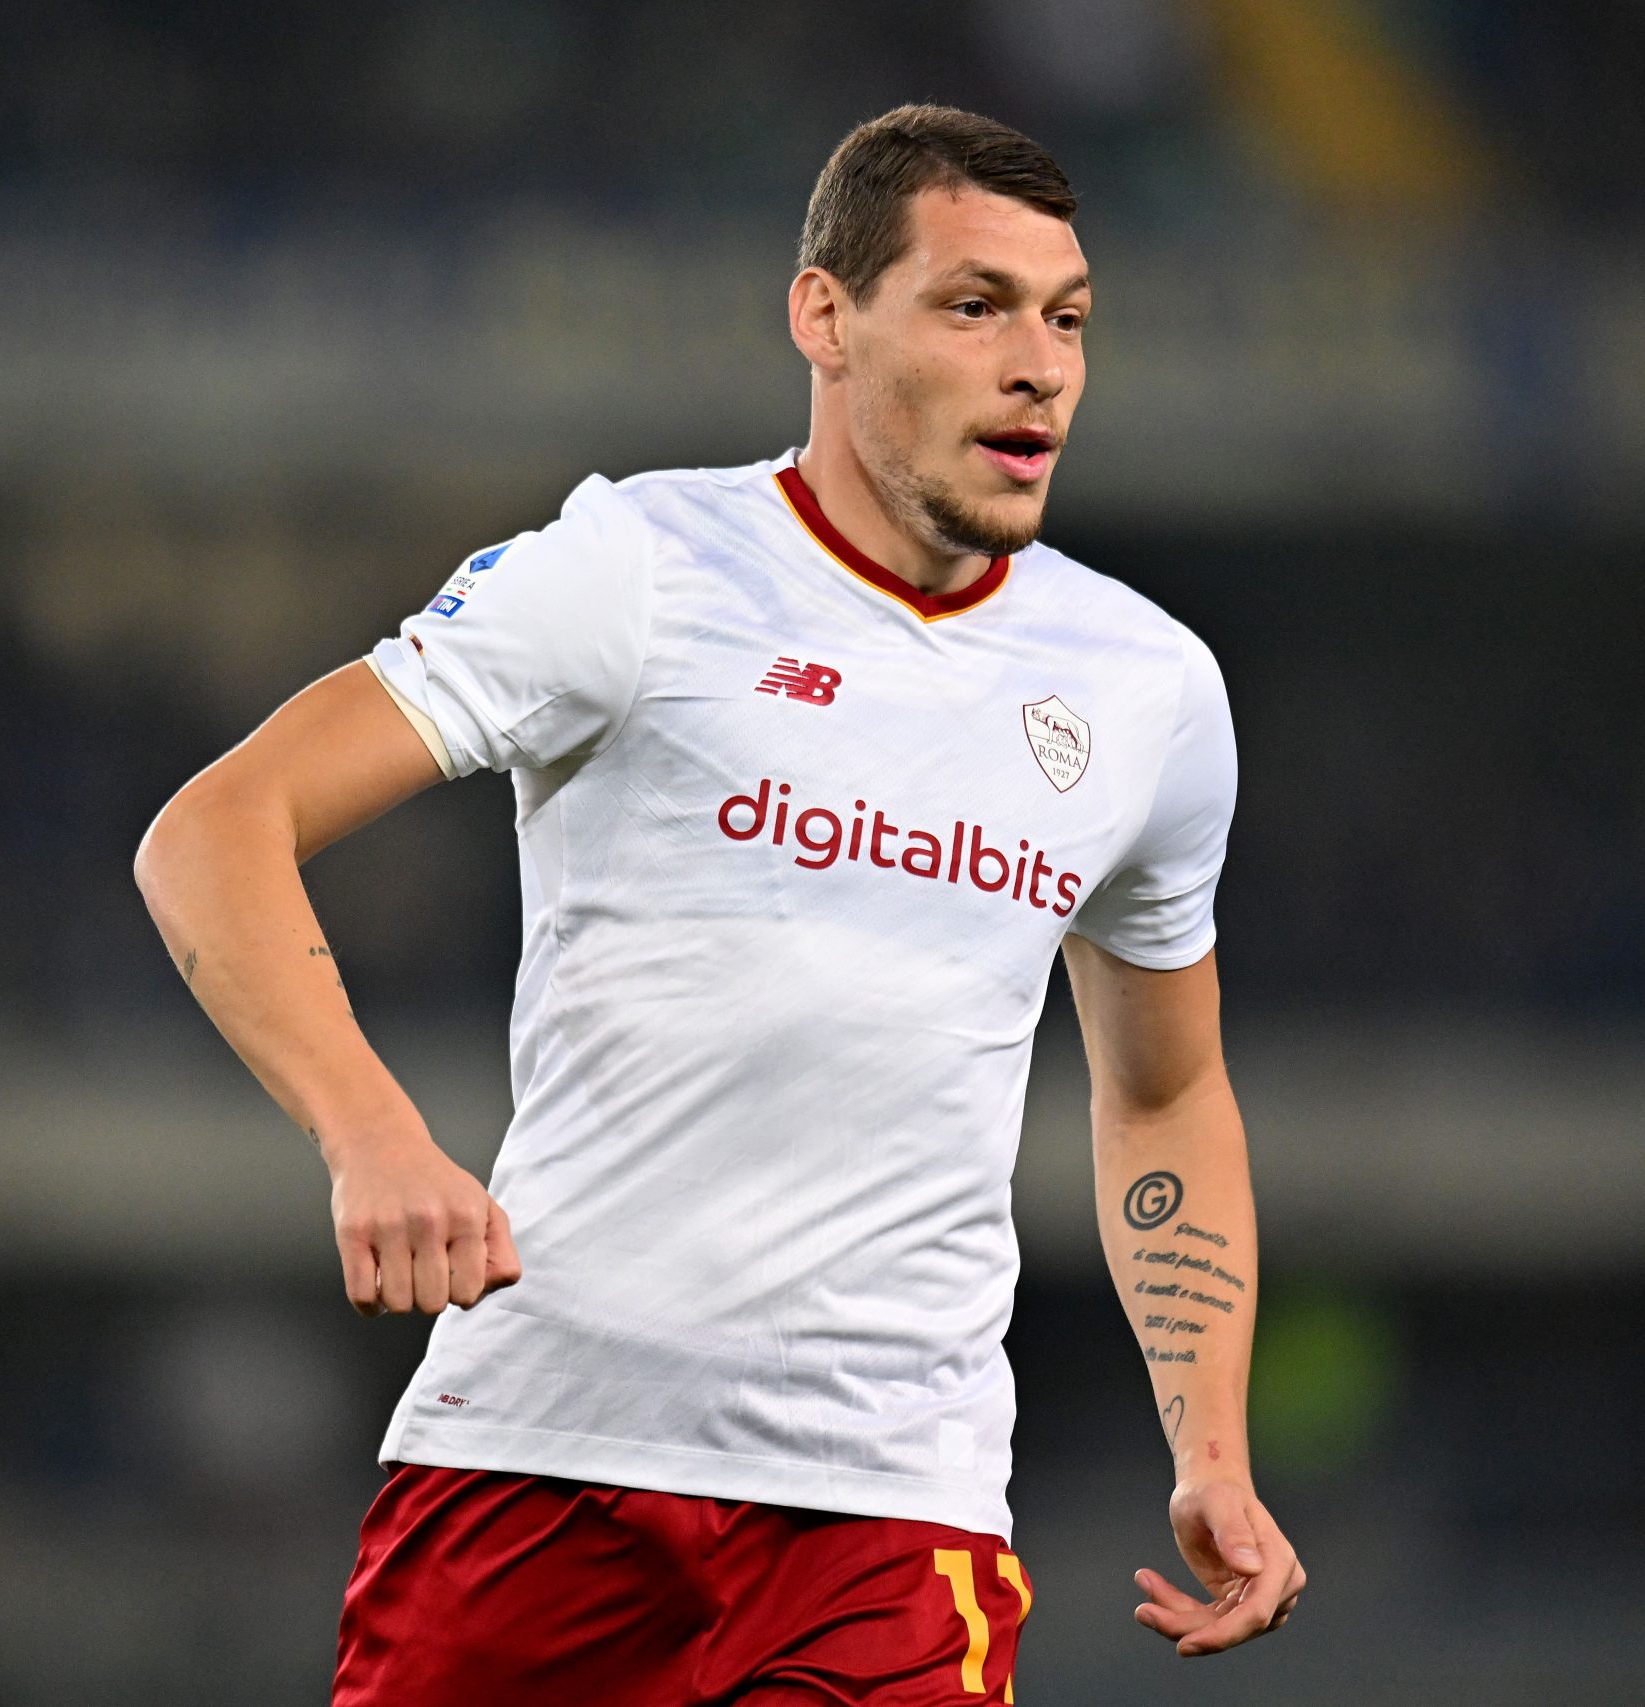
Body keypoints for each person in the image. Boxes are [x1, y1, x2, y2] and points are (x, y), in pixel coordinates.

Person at [134, 102, 1304, 1705]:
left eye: (1068, 318)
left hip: (897, 1525)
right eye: (976, 307)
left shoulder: (1147, 687)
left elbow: (1164, 1093)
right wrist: (372, 1137)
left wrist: (1213, 1447)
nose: (1040, 366)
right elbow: (215, 830)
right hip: (545, 1472)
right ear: (825, 316)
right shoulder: (640, 565)